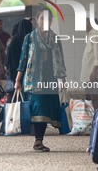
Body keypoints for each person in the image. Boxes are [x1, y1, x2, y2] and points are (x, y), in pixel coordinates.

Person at [14, 8, 66, 152]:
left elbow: (60, 60)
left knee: (47, 108)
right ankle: (38, 140)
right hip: (34, 77)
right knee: (38, 107)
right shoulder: (29, 38)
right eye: (43, 18)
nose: (45, 22)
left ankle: (39, 140)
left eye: (49, 19)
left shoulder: (55, 38)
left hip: (51, 77)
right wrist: (18, 80)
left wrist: (63, 79)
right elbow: (23, 60)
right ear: (37, 20)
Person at [80, 16, 98, 110]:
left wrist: (94, 72)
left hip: (95, 77)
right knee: (92, 105)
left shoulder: (97, 33)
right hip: (91, 77)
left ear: (89, 21)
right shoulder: (92, 34)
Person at [5, 19, 32, 101]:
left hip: (12, 75)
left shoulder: (14, 40)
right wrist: (17, 79)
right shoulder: (18, 42)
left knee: (13, 97)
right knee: (16, 98)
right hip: (16, 75)